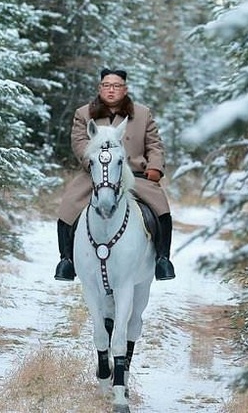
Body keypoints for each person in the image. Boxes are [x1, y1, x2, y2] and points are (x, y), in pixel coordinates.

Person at [55, 68, 175, 282]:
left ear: (125, 89)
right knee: (68, 207)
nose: (111, 90)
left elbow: (155, 144)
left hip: (136, 175)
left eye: (116, 86)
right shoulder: (83, 114)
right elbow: (79, 143)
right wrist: (92, 162)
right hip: (95, 175)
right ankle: (67, 261)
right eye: (106, 85)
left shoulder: (142, 113)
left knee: (161, 211)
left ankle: (162, 260)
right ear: (100, 88)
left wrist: (155, 167)